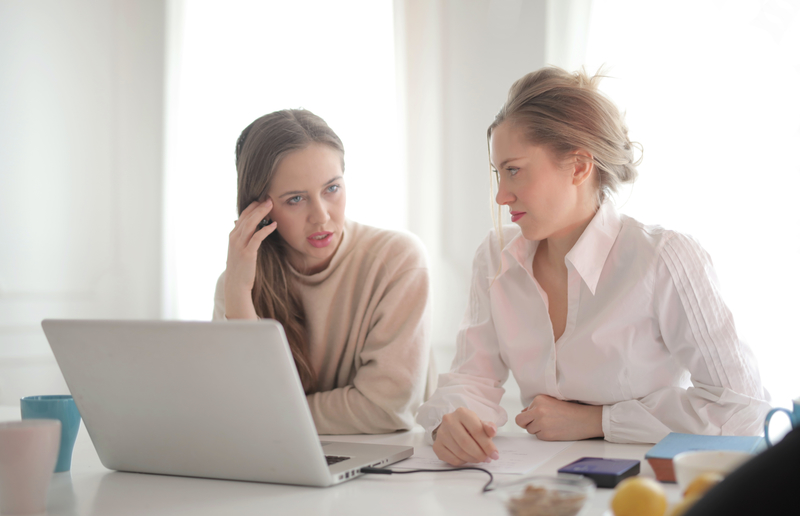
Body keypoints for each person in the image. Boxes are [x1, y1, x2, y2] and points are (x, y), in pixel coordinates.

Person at [416, 67, 771, 466]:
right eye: (499, 174)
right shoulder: (495, 256)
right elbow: (472, 377)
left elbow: (743, 408)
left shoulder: (664, 258)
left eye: (513, 170)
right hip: (533, 482)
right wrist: (451, 422)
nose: (501, 195)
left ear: (580, 166)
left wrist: (599, 421)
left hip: (642, 483)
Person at [214, 109, 436, 434]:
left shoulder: (398, 259)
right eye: (295, 199)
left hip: (392, 457)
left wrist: (274, 413)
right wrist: (237, 294)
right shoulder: (238, 284)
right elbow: (237, 408)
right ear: (259, 209)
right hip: (280, 454)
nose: (321, 216)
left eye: (332, 189)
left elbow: (387, 409)